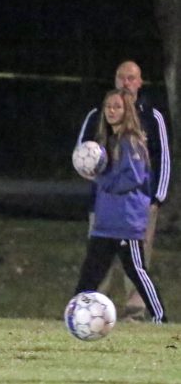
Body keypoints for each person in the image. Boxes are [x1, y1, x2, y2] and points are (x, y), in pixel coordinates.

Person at [76, 60, 172, 320]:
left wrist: (157, 198)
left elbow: (133, 177)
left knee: (137, 271)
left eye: (116, 107)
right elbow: (82, 157)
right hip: (105, 218)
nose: (111, 111)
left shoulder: (133, 140)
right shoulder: (104, 132)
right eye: (109, 106)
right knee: (92, 271)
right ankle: (78, 313)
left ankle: (157, 316)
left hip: (127, 219)